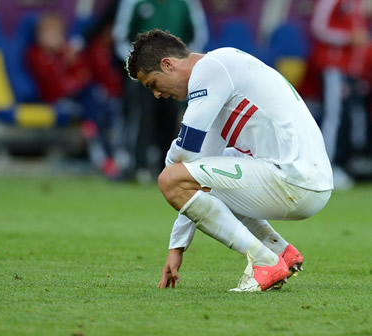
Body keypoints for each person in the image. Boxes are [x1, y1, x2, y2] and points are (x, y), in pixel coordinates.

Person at [126, 29, 333, 291]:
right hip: (308, 179)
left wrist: (171, 171)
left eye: (153, 84)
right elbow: (194, 172)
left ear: (168, 64)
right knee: (188, 176)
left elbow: (184, 154)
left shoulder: (210, 69)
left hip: (295, 178)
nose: (156, 94)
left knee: (171, 178)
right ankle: (278, 252)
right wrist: (177, 246)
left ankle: (263, 261)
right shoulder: (220, 77)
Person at [112, 0, 208, 182]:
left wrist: (182, 66)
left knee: (172, 119)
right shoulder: (133, 2)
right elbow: (121, 36)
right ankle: (137, 166)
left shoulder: (186, 3)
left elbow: (199, 35)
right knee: (141, 118)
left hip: (175, 75)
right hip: (143, 76)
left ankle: (167, 168)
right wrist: (139, 67)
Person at [26, 13, 121, 178]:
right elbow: (54, 84)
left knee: (99, 101)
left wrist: (66, 63)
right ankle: (104, 158)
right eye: (47, 33)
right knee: (94, 99)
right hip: (56, 101)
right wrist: (68, 74)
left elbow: (84, 73)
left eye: (55, 33)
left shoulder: (66, 52)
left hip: (79, 99)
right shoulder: (35, 54)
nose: (51, 37)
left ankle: (109, 151)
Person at [310, 0, 372, 189]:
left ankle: (343, 163)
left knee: (348, 117)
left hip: (352, 70)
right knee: (334, 116)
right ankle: (326, 167)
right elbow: (318, 27)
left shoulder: (358, 4)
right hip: (333, 67)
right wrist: (347, 37)